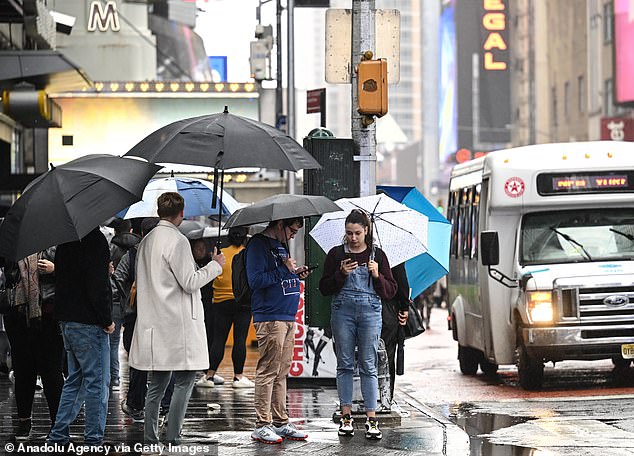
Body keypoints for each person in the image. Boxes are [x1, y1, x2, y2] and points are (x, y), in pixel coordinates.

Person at [129, 192, 225, 447]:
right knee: (185, 379)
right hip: (177, 324)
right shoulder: (178, 241)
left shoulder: (147, 240)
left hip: (153, 321)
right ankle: (173, 434)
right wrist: (215, 266)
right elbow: (190, 281)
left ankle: (150, 437)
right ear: (181, 213)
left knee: (157, 384)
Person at [319, 209, 397, 440]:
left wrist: (377, 276)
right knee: (344, 364)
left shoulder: (378, 256)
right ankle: (346, 416)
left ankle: (372, 419)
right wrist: (340, 274)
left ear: (366, 231)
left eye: (357, 233)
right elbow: (324, 288)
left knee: (368, 364)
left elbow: (390, 291)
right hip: (342, 312)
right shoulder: (335, 255)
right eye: (349, 233)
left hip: (370, 313)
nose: (353, 238)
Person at [47, 227, 114, 448]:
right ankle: (94, 438)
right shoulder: (96, 241)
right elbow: (96, 287)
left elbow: (68, 278)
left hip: (67, 320)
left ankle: (58, 434)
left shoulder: (65, 241)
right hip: (89, 323)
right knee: (97, 382)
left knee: (75, 380)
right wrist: (107, 320)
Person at [247, 217, 310, 444]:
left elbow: (281, 276)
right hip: (270, 316)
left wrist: (295, 274)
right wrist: (284, 270)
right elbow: (255, 280)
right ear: (281, 224)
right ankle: (262, 424)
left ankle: (281, 421)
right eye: (292, 230)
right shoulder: (258, 245)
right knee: (268, 371)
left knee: (281, 372)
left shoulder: (281, 246)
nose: (293, 235)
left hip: (286, 315)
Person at [114, 217, 173, 423]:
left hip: (135, 316)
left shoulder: (132, 254)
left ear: (139, 233)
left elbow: (118, 281)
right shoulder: (168, 252)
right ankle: (166, 407)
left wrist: (126, 300)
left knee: (138, 361)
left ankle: (136, 405)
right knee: (165, 362)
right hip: (163, 315)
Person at [3, 248, 64, 441]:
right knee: (23, 370)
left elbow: (74, 272)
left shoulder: (58, 241)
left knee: (52, 372)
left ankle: (58, 424)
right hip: (17, 314)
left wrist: (56, 269)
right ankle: (23, 422)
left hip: (48, 314)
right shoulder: (13, 241)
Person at [196, 226, 255, 389]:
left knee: (218, 339)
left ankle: (209, 375)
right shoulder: (248, 254)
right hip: (243, 302)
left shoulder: (220, 253)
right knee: (240, 339)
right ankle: (238, 377)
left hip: (221, 302)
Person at [108, 218, 140, 388]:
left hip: (115, 299)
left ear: (115, 231)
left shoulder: (111, 248)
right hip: (135, 300)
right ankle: (136, 376)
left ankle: (114, 378)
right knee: (134, 340)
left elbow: (113, 277)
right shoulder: (139, 248)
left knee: (113, 342)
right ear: (132, 229)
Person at [191, 237, 222, 387]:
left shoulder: (210, 263)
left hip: (210, 304)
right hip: (197, 305)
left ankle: (207, 369)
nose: (200, 251)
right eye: (197, 248)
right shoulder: (192, 265)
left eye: (203, 248)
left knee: (210, 334)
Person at [380, 262, 410, 402]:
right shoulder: (393, 256)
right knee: (387, 355)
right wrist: (404, 307)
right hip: (387, 310)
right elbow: (401, 283)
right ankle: (386, 397)